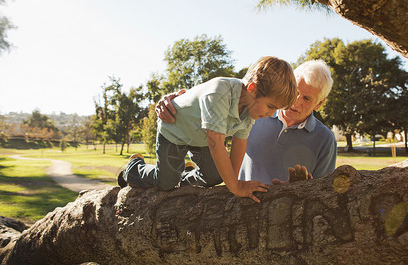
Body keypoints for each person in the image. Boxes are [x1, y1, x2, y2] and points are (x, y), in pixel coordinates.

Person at [118, 56, 298, 203]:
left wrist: (233, 183)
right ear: (252, 89)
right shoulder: (219, 92)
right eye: (271, 106)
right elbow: (215, 142)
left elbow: (240, 141)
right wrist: (235, 187)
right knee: (166, 183)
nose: (271, 113)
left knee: (215, 177)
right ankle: (133, 168)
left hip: (200, 139)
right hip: (175, 132)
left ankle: (183, 171)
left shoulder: (251, 110)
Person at [157, 59, 336, 185]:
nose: (296, 102)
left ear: (319, 104)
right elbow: (208, 103)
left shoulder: (325, 140)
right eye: (295, 92)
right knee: (172, 179)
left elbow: (323, 194)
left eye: (306, 98)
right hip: (239, 212)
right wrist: (174, 101)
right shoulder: (254, 110)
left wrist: (300, 189)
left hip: (285, 223)